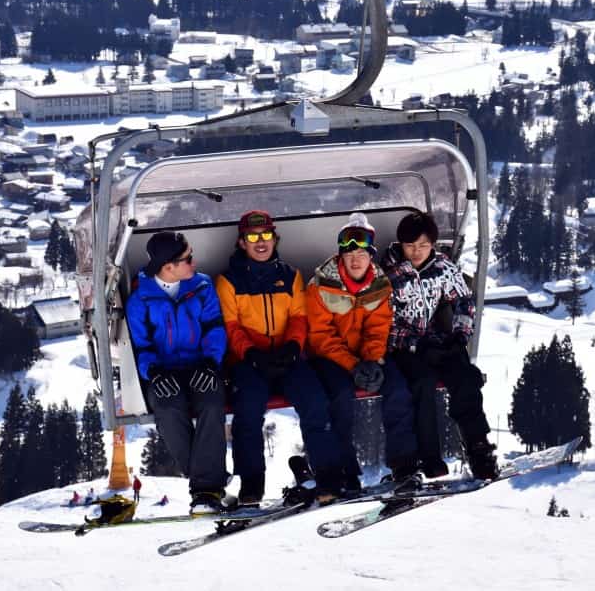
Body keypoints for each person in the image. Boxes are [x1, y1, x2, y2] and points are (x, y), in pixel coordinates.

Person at [216, 210, 342, 505]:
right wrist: (252, 354)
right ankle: (252, 483)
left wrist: (293, 348)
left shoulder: (290, 275)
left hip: (287, 356)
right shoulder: (229, 281)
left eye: (266, 236)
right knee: (247, 409)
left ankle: (328, 474)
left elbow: (299, 317)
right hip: (249, 361)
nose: (261, 243)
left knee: (315, 401)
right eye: (253, 237)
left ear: (275, 238)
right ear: (242, 243)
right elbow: (231, 326)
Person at [305, 212, 419, 491]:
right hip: (331, 357)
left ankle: (404, 465)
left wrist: (371, 360)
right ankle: (345, 470)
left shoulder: (380, 285)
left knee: (398, 390)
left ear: (371, 255)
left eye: (362, 253)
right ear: (341, 256)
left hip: (367, 355)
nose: (355, 259)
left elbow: (378, 327)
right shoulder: (320, 286)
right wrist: (352, 365)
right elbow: (321, 335)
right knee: (341, 397)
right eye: (349, 253)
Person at [382, 211, 499, 480]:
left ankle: (478, 445)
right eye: (411, 246)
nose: (417, 252)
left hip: (435, 338)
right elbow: (383, 320)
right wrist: (414, 344)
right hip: (402, 344)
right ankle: (428, 456)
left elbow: (463, 301)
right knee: (421, 383)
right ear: (401, 244)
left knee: (465, 375)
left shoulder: (443, 267)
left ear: (432, 244)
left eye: (423, 245)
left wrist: (459, 334)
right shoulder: (389, 274)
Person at [126, 230, 228, 514]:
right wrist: (154, 372)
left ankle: (205, 490)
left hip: (199, 365)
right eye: (187, 259)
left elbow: (214, 328)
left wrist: (211, 362)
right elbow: (141, 346)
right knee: (168, 411)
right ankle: (208, 485)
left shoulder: (202, 286)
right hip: (164, 370)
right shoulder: (140, 300)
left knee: (211, 402)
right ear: (168, 267)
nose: (193, 263)